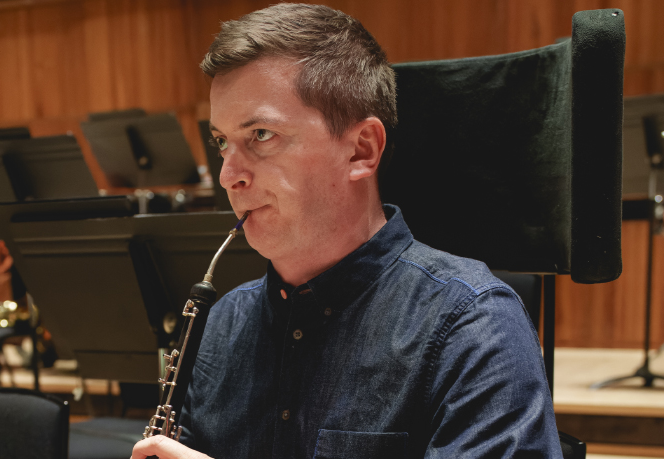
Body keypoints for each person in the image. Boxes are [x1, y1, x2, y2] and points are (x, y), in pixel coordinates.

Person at [132, 3, 560, 458]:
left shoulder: (473, 324)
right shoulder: (224, 322)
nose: (228, 176)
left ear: (361, 150)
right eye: (221, 142)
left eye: (260, 135)